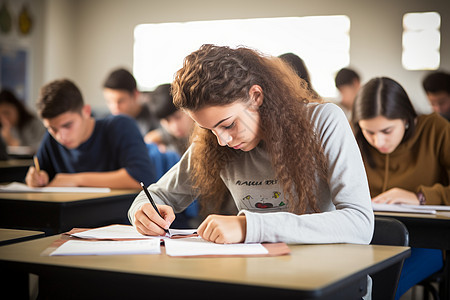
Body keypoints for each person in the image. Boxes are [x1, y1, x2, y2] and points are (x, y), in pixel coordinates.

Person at [129, 45, 373, 249]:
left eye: (229, 124)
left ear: (256, 96)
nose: (222, 140)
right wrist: (142, 212)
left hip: (327, 275)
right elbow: (155, 195)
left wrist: (250, 227)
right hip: (255, 276)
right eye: (209, 130)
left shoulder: (323, 121)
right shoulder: (213, 144)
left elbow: (360, 223)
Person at [351, 77, 449, 299]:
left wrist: (421, 197)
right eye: (369, 132)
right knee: (340, 284)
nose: (378, 141)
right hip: (365, 240)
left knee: (376, 289)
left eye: (387, 130)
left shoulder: (436, 130)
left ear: (406, 119)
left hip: (424, 243)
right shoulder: (354, 138)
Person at [25, 79, 156, 188]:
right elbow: (39, 172)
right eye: (52, 128)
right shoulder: (50, 139)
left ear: (86, 111)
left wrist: (76, 180)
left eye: (67, 125)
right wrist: (37, 178)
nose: (60, 136)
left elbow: (143, 177)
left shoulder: (120, 126)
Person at [103, 68, 160, 136]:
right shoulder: (106, 124)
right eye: (109, 101)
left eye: (120, 101)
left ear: (135, 95)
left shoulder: (155, 122)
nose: (115, 107)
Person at [144, 83, 194, 155]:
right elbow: (150, 139)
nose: (175, 126)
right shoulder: (165, 136)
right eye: (167, 121)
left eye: (178, 117)